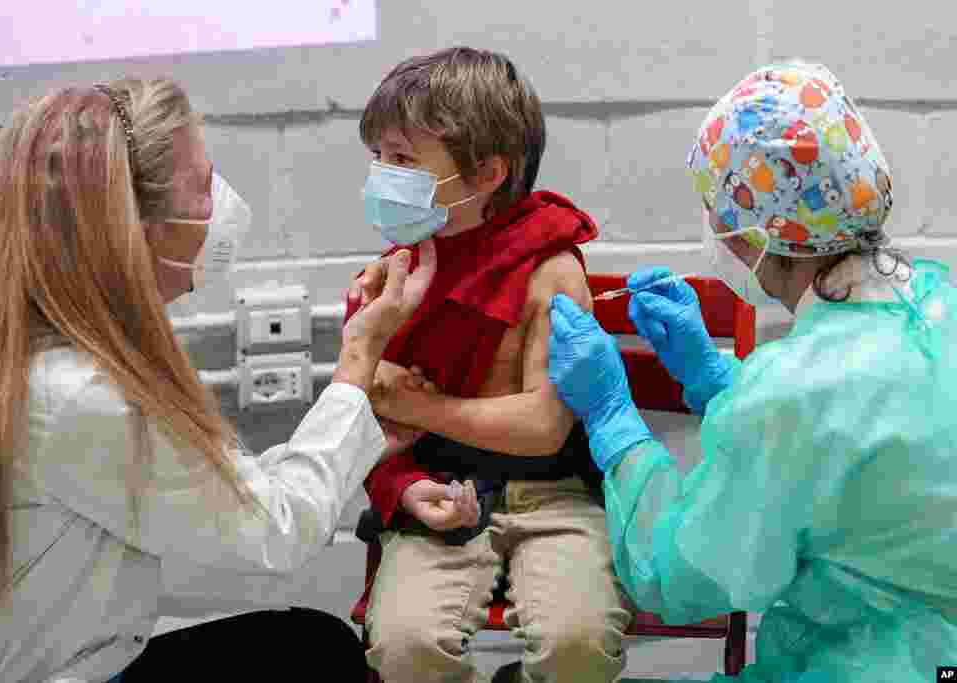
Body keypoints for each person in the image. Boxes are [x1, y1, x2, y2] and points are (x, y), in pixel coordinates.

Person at [0, 77, 435, 683]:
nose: (219, 206)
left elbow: (213, 489)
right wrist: (359, 360)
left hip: (42, 653)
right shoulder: (74, 393)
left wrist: (357, 426)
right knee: (316, 657)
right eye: (201, 189)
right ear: (133, 228)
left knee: (308, 645)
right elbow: (274, 531)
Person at [548, 61, 957, 682]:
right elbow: (852, 441)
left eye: (715, 210)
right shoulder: (938, 302)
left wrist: (614, 420)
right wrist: (716, 379)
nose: (712, 230)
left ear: (753, 232)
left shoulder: (789, 394)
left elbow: (681, 576)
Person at [347, 47, 633, 683]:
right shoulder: (395, 270)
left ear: (485, 174)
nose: (383, 177)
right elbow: (366, 422)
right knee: (406, 649)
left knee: (578, 646)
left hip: (556, 498)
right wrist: (403, 490)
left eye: (403, 160)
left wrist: (418, 406)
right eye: (378, 157)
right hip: (438, 494)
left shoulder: (551, 268)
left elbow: (540, 427)